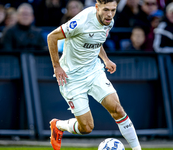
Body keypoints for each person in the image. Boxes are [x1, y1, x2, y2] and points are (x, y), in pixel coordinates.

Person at [47, 0, 142, 150]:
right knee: (86, 127)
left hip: (93, 71)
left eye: (113, 10)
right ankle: (58, 125)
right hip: (72, 78)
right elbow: (51, 37)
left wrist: (105, 59)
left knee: (117, 109)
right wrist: (57, 66)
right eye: (106, 10)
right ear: (97, 7)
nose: (110, 14)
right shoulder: (81, 21)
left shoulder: (109, 21)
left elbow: (96, 41)